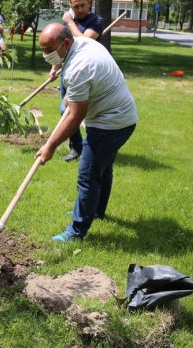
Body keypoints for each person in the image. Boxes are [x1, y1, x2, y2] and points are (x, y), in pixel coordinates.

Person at [36, 22, 137, 242]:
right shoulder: (83, 43)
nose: (45, 55)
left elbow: (75, 115)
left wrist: (50, 145)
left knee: (88, 176)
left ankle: (77, 231)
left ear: (66, 43)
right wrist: (72, 95)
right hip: (124, 116)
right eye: (42, 49)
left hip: (110, 123)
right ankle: (95, 211)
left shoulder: (79, 68)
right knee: (103, 169)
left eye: (48, 50)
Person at [57, 0, 105, 162]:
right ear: (71, 6)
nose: (79, 9)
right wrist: (55, 66)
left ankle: (91, 146)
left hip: (86, 74)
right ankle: (76, 147)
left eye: (82, 5)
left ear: (89, 4)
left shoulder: (96, 20)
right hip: (68, 72)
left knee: (78, 111)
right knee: (65, 111)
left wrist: (69, 22)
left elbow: (85, 41)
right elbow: (63, 46)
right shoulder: (70, 23)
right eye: (75, 6)